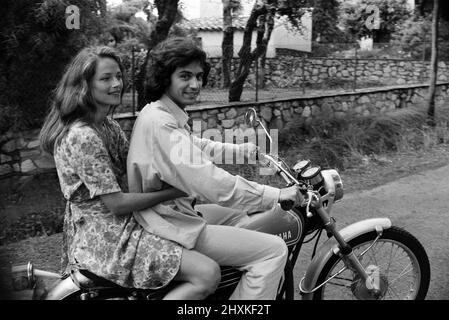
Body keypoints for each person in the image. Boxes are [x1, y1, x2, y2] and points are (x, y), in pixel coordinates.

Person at [127, 37, 304, 300]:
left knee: (241, 214)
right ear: (165, 77)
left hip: (172, 213)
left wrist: (243, 152)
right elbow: (211, 183)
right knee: (274, 250)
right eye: (185, 76)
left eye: (199, 76)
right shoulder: (162, 124)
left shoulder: (160, 113)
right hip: (168, 222)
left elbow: (196, 146)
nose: (195, 84)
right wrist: (276, 195)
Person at [39, 45, 221, 299]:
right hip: (109, 240)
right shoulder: (82, 136)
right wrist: (174, 191)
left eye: (118, 76)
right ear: (84, 86)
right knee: (207, 273)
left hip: (125, 224)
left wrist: (188, 163)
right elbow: (117, 204)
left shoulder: (107, 125)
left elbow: (141, 162)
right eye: (106, 78)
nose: (116, 84)